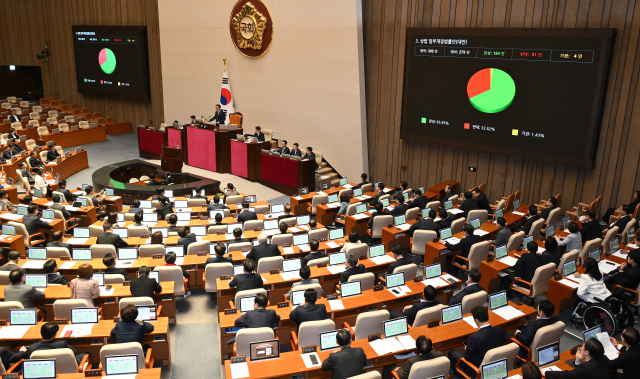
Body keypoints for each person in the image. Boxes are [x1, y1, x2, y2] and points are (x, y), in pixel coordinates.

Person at [448, 306, 507, 379]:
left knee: (452, 353)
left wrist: (467, 349)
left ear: (476, 320)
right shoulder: (499, 329)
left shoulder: (474, 337)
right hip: (495, 364)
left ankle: (461, 375)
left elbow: (467, 358)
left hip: (476, 369)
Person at [545, 339, 610, 379]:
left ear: (587, 352)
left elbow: (566, 375)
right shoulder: (603, 358)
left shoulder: (586, 368)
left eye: (582, 347)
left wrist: (545, 373)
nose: (580, 348)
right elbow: (578, 373)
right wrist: (578, 360)